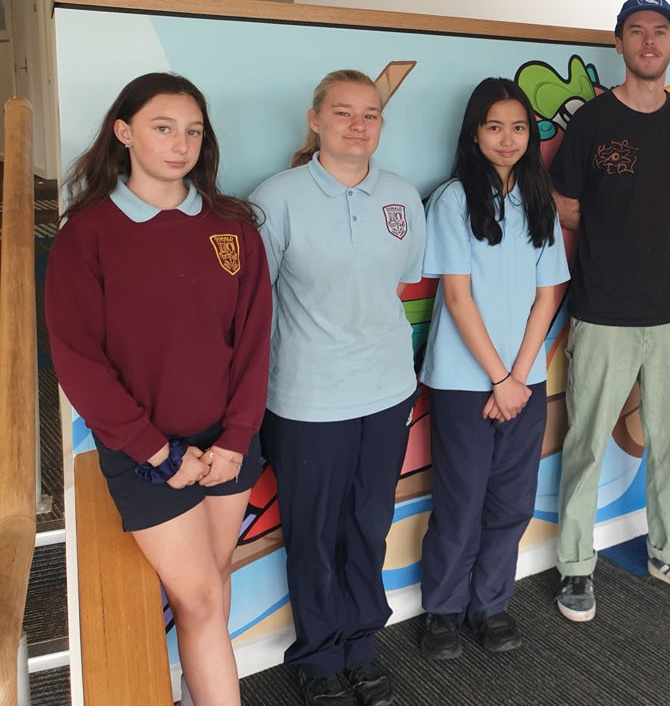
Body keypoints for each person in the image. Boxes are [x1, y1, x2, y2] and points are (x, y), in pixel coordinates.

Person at [46, 72, 270, 706]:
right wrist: (158, 453)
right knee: (199, 598)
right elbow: (78, 361)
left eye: (192, 131)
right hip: (147, 453)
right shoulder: (85, 235)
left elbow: (255, 343)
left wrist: (233, 441)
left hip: (228, 446)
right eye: (162, 128)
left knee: (210, 591)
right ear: (125, 133)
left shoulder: (234, 228)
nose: (180, 144)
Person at [251, 69, 426, 706]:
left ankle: (360, 642)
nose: (358, 125)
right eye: (344, 113)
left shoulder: (402, 196)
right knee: (313, 532)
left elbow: (402, 280)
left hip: (385, 391)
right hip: (306, 397)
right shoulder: (277, 197)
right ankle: (320, 655)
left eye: (370, 114)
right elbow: (254, 300)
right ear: (315, 119)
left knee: (368, 524)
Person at [549, 0, 670, 620]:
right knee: (586, 440)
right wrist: (614, 234)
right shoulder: (592, 121)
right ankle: (575, 567)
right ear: (619, 42)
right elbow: (565, 203)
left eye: (661, 31)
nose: (649, 41)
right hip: (602, 309)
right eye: (636, 30)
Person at [417, 79, 568, 659]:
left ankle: (491, 605)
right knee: (460, 499)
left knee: (511, 501)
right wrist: (498, 379)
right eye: (494, 126)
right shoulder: (454, 199)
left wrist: (520, 376)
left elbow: (547, 296)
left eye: (519, 127)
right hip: (465, 382)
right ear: (474, 132)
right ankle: (444, 610)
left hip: (523, 382)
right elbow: (457, 298)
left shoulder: (538, 200)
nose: (508, 139)